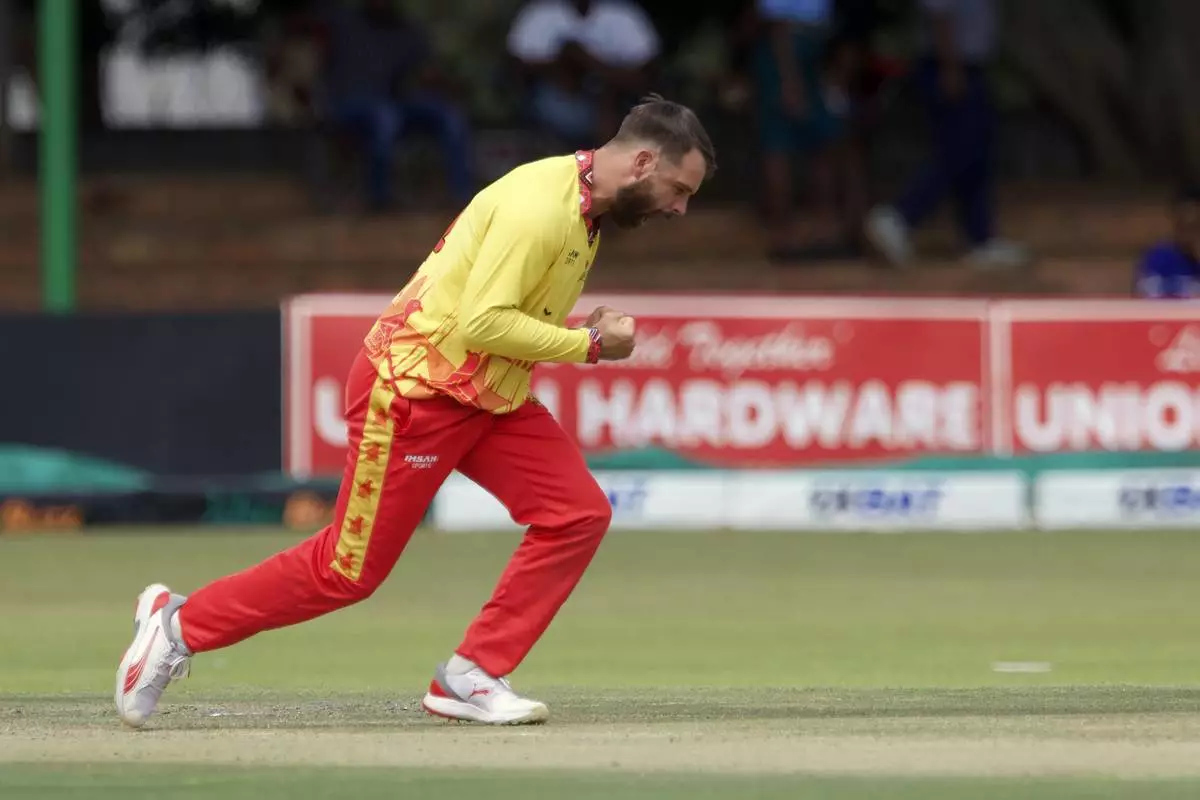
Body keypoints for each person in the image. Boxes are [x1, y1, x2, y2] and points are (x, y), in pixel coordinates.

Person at [115, 95, 716, 729]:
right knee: (346, 571)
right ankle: (178, 628)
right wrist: (588, 344)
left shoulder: (583, 209)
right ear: (643, 162)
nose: (679, 208)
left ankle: (472, 675)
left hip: (486, 394)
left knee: (577, 514)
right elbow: (482, 322)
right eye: (679, 189)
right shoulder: (541, 207)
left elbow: (495, 314)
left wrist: (578, 330)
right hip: (413, 392)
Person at [865, 0, 1027, 270]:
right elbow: (939, 13)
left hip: (971, 66)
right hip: (950, 65)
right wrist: (950, 67)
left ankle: (980, 238)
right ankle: (899, 216)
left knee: (976, 154)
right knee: (957, 153)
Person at [316, 0, 474, 210]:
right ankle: (380, 198)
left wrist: (446, 84)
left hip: (396, 104)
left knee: (449, 116)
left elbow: (427, 73)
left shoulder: (406, 29)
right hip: (349, 106)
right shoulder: (342, 22)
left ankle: (462, 195)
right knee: (386, 117)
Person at [507, 0, 660, 149]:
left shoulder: (622, 13)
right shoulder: (540, 12)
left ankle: (606, 157)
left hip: (616, 102)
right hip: (556, 102)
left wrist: (590, 63)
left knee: (609, 96)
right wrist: (567, 65)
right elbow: (518, 67)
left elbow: (646, 72)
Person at [1133, 188, 1200, 299]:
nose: (1188, 233)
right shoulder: (1158, 258)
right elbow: (1145, 297)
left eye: (1194, 225)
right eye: (1183, 224)